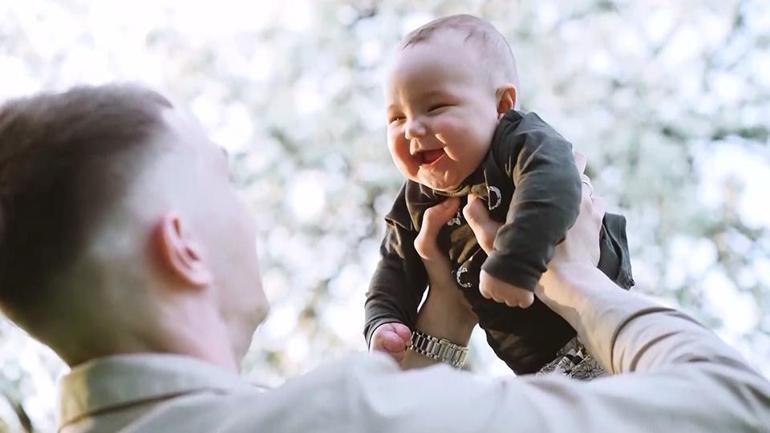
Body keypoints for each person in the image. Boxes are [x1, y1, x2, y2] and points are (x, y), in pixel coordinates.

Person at [0, 84, 767, 432]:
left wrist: (443, 317)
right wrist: (579, 280)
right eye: (223, 179)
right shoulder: (344, 415)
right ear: (184, 246)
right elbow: (735, 406)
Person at [365, 14, 633, 375]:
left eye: (436, 107)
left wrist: (515, 260)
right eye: (396, 118)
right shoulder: (415, 202)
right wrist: (383, 321)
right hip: (540, 367)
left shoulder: (518, 142)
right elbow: (394, 267)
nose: (412, 128)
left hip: (602, 325)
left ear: (502, 105)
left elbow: (553, 184)